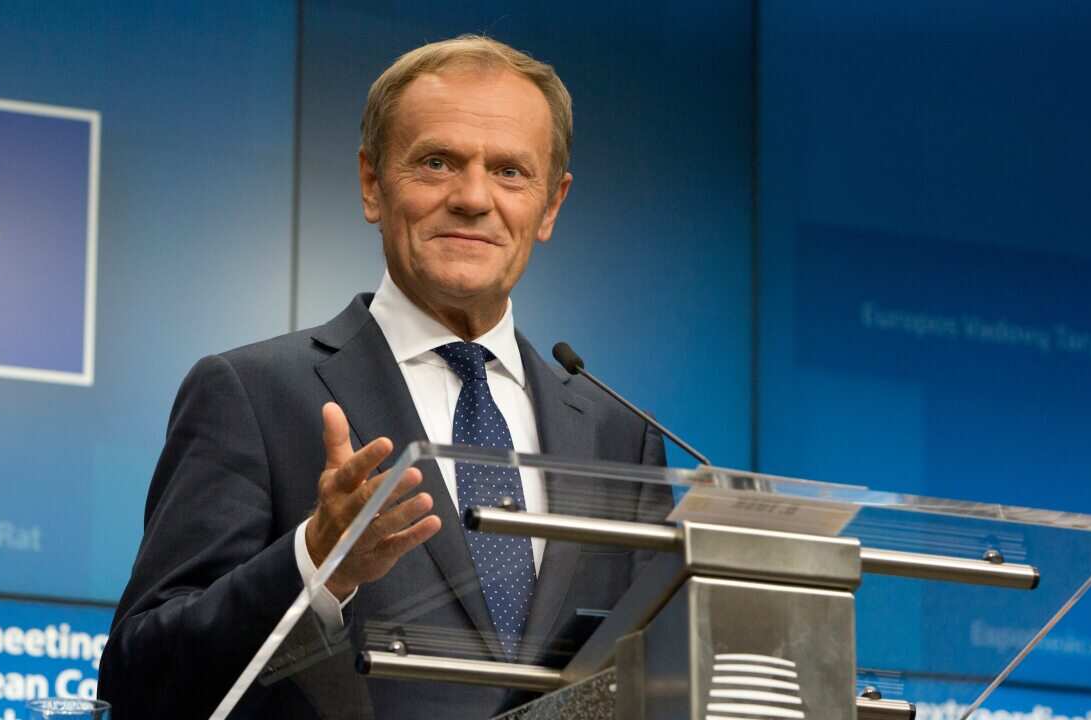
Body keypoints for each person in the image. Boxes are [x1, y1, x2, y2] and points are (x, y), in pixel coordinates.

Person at [99, 35, 671, 719]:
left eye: (511, 172)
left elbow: (654, 675)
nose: (473, 197)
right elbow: (140, 676)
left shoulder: (618, 436)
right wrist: (316, 564)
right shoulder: (252, 395)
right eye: (437, 162)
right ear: (373, 182)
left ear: (550, 206)